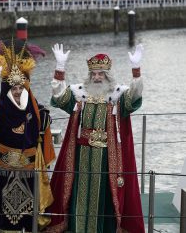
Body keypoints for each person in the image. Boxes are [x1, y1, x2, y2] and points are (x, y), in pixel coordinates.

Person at [47, 44, 145, 232]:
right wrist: (60, 68)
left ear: (107, 75)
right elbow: (59, 96)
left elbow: (135, 96)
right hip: (81, 158)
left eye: (101, 74)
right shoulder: (79, 94)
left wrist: (136, 71)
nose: (97, 77)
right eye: (94, 74)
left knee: (106, 198)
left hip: (107, 161)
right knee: (79, 196)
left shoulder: (117, 96)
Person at [0, 36, 56, 233]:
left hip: (28, 168)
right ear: (7, 88)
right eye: (14, 88)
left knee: (27, 215)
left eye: (20, 87)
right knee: (1, 213)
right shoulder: (0, 107)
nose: (18, 91)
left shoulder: (35, 109)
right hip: (4, 168)